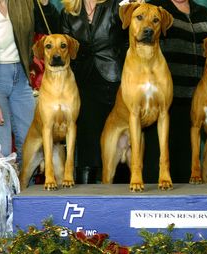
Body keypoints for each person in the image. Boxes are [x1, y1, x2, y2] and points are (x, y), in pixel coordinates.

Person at [143, 0, 207, 183]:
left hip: (196, 103)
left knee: (186, 171)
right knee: (158, 168)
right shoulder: (156, 9)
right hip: (163, 103)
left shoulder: (204, 14)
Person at [60, 0, 128, 184]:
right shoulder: (68, 12)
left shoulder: (118, 5)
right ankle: (85, 198)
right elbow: (66, 49)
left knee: (119, 142)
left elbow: (129, 40)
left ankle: (122, 198)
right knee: (87, 143)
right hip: (83, 83)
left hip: (115, 81)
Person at [0, 0, 60, 166]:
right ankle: (2, 192)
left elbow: (51, 30)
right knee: (1, 149)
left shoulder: (23, 2)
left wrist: (45, 5)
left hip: (21, 75)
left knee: (31, 143)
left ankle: (25, 189)